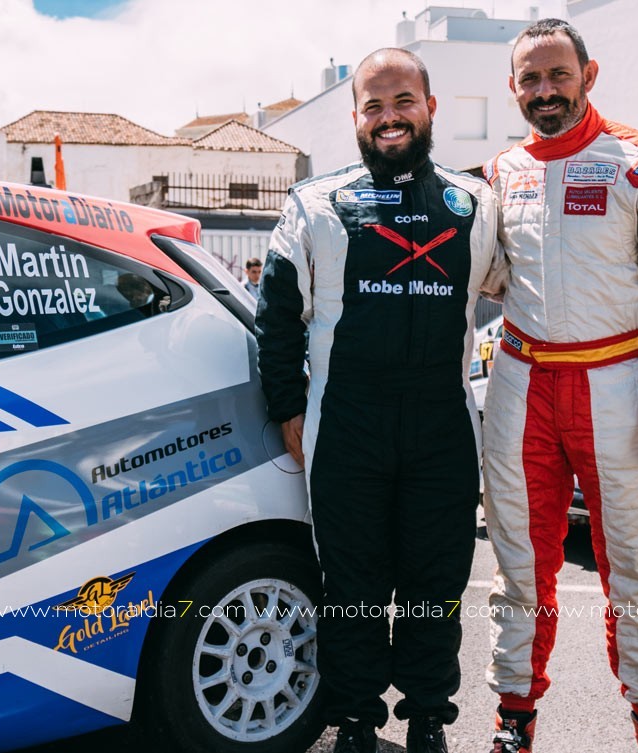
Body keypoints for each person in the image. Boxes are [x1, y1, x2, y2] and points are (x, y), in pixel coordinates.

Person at [480, 19, 638, 753]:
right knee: (519, 564)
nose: (545, 92)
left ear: (589, 74)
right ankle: (513, 718)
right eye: (531, 79)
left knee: (636, 566)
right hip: (521, 386)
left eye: (558, 76)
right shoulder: (500, 173)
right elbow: (490, 277)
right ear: (513, 88)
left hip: (619, 388)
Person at [255, 47, 501, 753]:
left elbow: (521, 292)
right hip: (348, 430)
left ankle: (428, 717)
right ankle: (356, 720)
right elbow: (277, 315)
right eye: (374, 105)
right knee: (354, 587)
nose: (389, 118)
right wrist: (290, 408)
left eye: (403, 102)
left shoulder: (476, 204)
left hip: (442, 428)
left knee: (435, 583)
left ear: (430, 107)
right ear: (355, 115)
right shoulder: (314, 202)